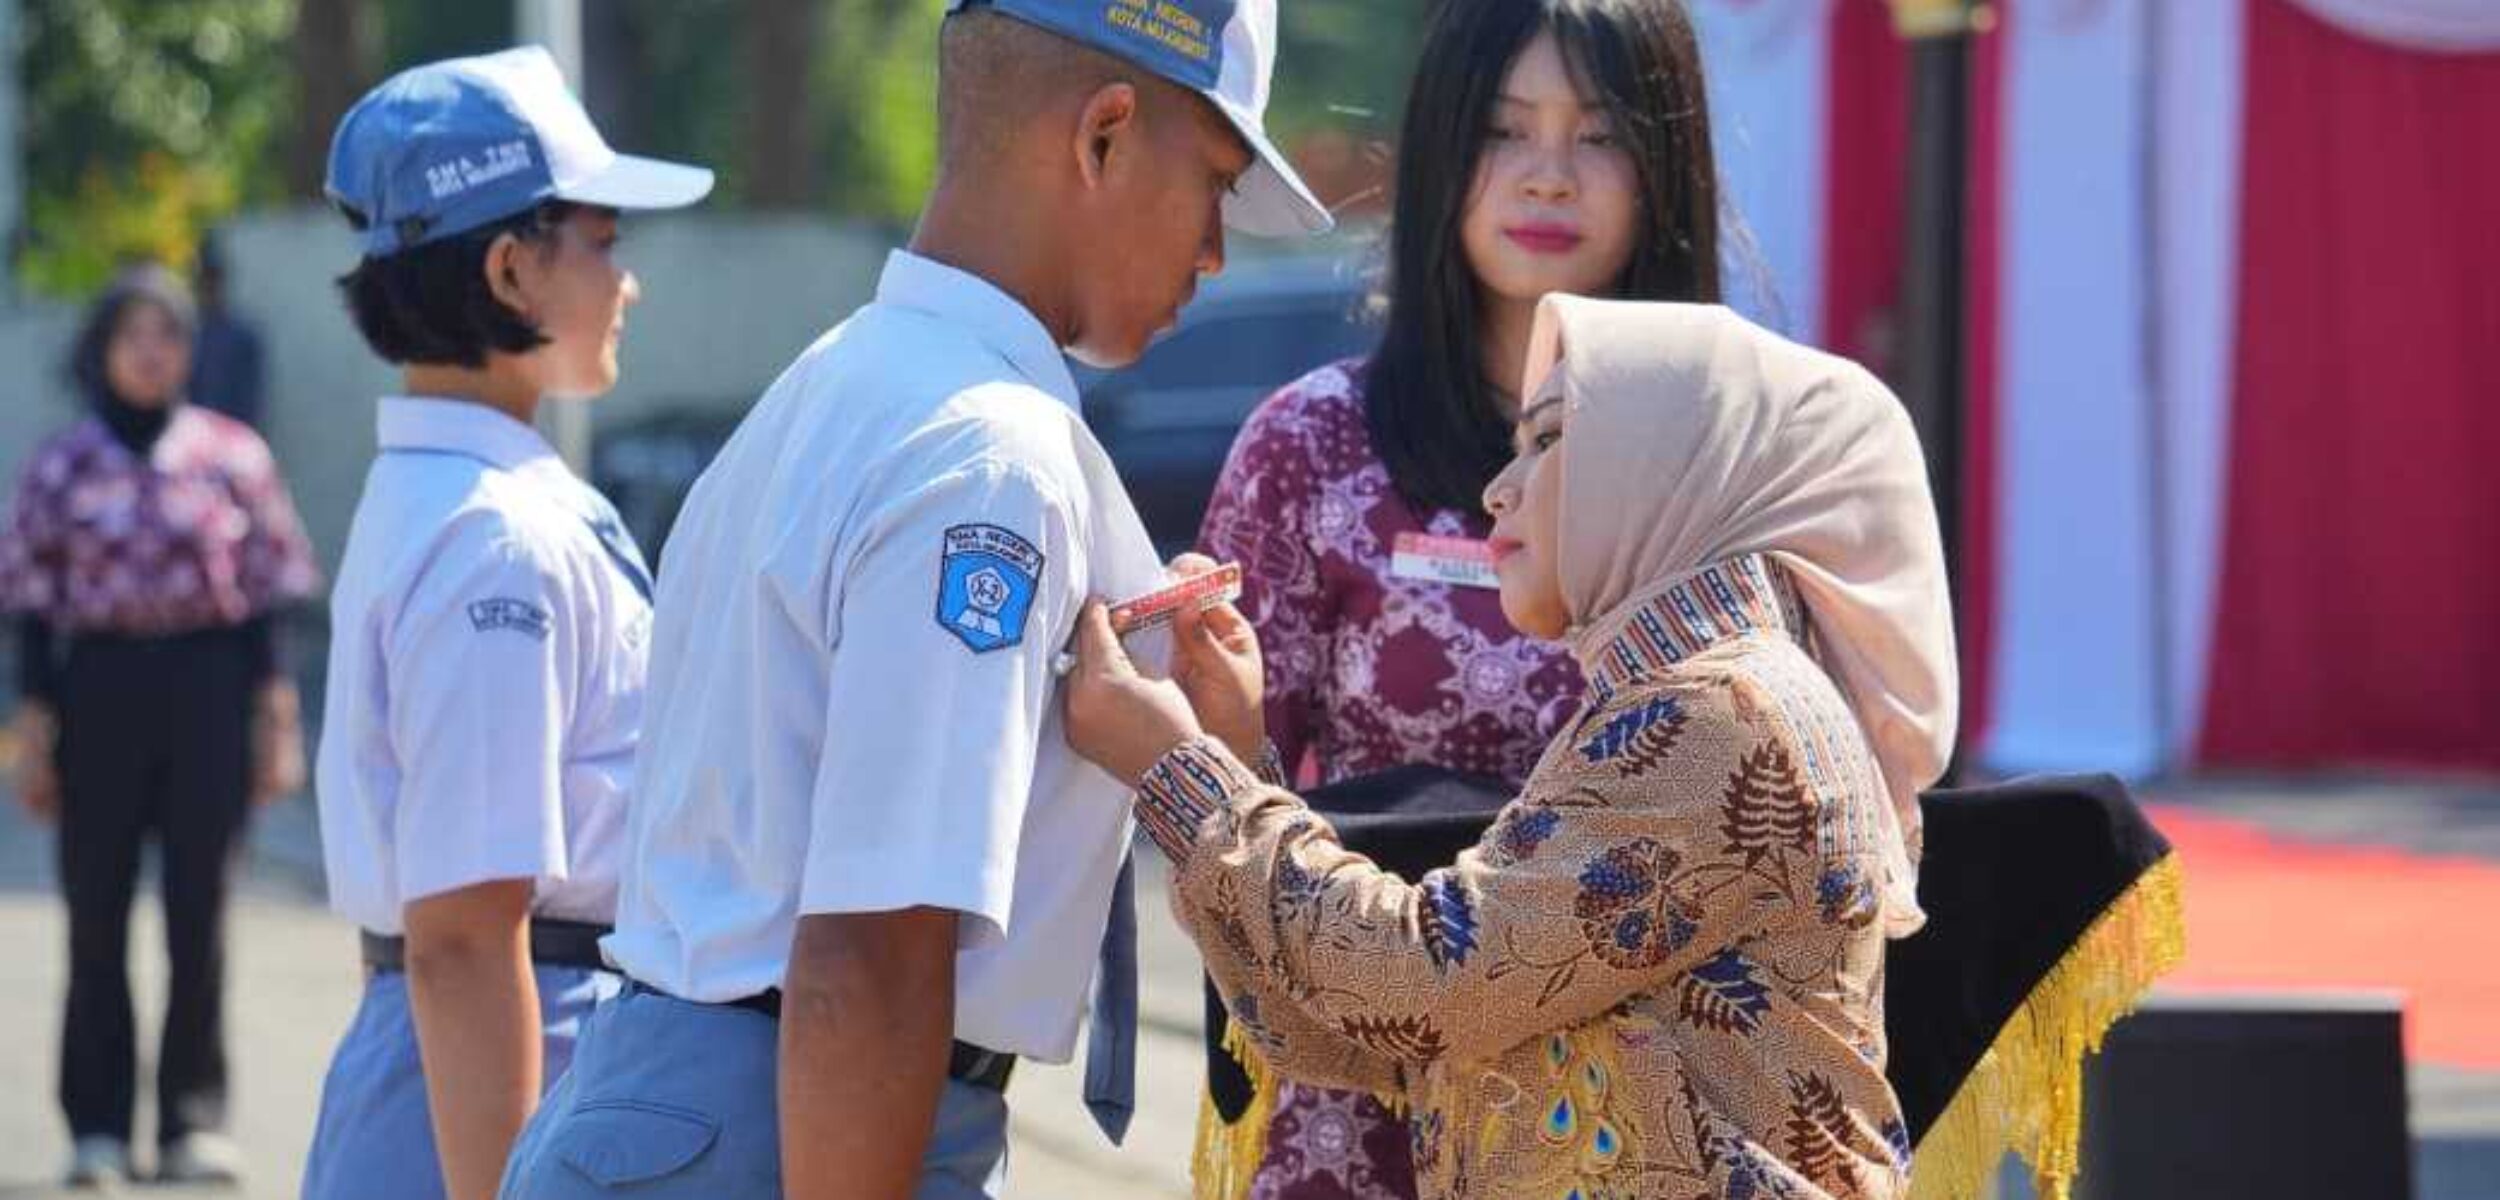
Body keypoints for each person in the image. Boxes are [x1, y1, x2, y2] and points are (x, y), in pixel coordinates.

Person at [495, 2, 1329, 1197]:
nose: (1214, 253)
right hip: (799, 1119)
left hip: (725, 1099)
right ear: (1102, 137)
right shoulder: (987, 454)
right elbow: (873, 951)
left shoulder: (844, 377)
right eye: (1213, 185)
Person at [1067, 297, 1959, 1200]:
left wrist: (1188, 780)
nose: (1499, 487)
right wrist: (1231, 758)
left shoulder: (1719, 713)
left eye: (1549, 440)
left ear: (1676, 465)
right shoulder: (1682, 697)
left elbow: (1425, 982)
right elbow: (1367, 1034)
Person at [1191, 1, 1722, 1191]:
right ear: (1440, 153)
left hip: (1643, 1124)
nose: (1547, 176)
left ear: (1664, 168)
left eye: (1597, 137)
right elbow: (1223, 811)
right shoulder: (1311, 449)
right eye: (1502, 129)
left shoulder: (1726, 465)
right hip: (1363, 1110)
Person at [299, 47, 712, 1200]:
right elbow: (468, 935)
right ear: (510, 270)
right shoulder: (494, 539)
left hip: (482, 1063)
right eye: (604, 241)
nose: (625, 281)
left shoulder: (480, 501)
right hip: (489, 1086)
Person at [0, 264, 320, 1187]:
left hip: (208, 692)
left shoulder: (232, 456)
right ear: (101, 349)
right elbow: (30, 610)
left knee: (201, 913)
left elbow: (266, 603)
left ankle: (191, 1119)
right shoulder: (62, 465)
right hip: (95, 691)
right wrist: (34, 734)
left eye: (169, 334)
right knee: (96, 917)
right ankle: (94, 1125)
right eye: (132, 334)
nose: (151, 352)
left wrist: (276, 722)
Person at [188, 232, 268, 429]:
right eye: (203, 279)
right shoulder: (183, 333)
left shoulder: (243, 336)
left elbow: (250, 401)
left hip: (231, 439)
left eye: (212, 278)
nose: (207, 286)